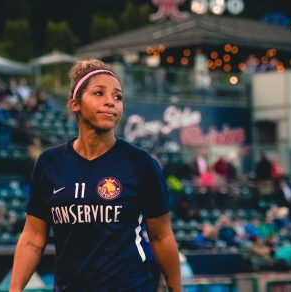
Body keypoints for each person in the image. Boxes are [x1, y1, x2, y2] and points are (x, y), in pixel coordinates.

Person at [10, 59, 181, 291]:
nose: (110, 102)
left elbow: (161, 237)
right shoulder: (49, 163)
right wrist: (14, 289)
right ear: (75, 104)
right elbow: (33, 238)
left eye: (118, 97)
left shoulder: (141, 164)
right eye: (99, 93)